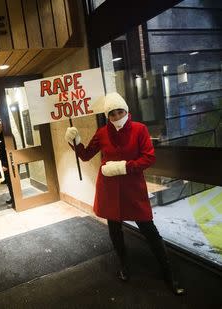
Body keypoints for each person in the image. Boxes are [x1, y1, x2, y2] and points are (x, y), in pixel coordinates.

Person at [64, 92, 185, 295]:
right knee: (114, 230)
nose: (116, 116)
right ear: (107, 115)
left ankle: (168, 273)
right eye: (112, 113)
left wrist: (124, 167)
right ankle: (124, 265)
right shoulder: (102, 133)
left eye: (119, 111)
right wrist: (75, 141)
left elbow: (149, 158)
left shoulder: (139, 129)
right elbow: (85, 155)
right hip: (109, 189)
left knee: (149, 230)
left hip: (132, 188)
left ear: (126, 110)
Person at [0, 120, 14, 205]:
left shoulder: (5, 136)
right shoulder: (1, 136)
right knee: (9, 182)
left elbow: (8, 151)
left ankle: (15, 198)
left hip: (8, 164)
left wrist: (5, 164)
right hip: (6, 163)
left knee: (11, 182)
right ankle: (13, 197)